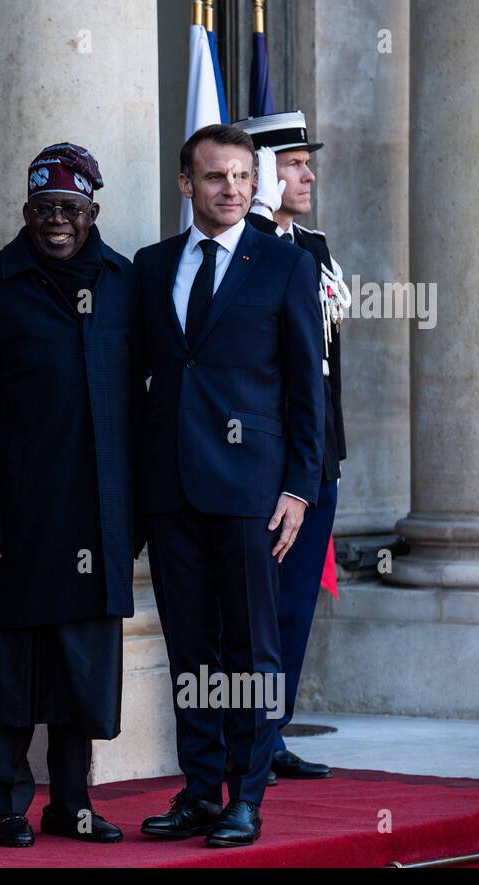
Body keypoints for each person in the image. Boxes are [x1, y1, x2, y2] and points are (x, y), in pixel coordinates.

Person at [134, 124, 323, 847]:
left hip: (252, 491)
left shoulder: (284, 265)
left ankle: (246, 794)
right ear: (187, 184)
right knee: (190, 649)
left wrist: (299, 487)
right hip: (172, 489)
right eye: (215, 177)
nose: (232, 189)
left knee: (253, 649)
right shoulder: (150, 268)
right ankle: (198, 789)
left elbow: (306, 387)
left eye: (243, 176)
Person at [0, 143, 141, 849]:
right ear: (25, 211)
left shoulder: (126, 283)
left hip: (101, 513)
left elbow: (139, 403)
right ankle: (4, 804)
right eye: (43, 209)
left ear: (92, 211)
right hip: (24, 518)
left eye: (69, 208)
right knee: (15, 671)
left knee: (84, 675)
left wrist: (134, 517)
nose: (56, 221)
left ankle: (74, 804)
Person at [236, 111, 347, 782]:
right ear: (261, 173)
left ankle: (272, 734)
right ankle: (245, 735)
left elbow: (326, 363)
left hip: (318, 455)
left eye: (308, 162)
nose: (307, 174)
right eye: (294, 162)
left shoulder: (314, 243)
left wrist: (324, 456)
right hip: (262, 462)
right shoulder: (238, 247)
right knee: (256, 609)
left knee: (295, 606)